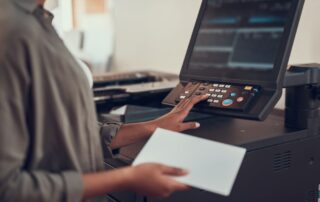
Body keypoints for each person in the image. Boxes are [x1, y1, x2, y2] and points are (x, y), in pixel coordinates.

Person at [0, 0, 207, 201]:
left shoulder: (38, 20)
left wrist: (153, 126)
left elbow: (66, 136)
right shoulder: (9, 29)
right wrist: (126, 178)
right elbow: (7, 189)